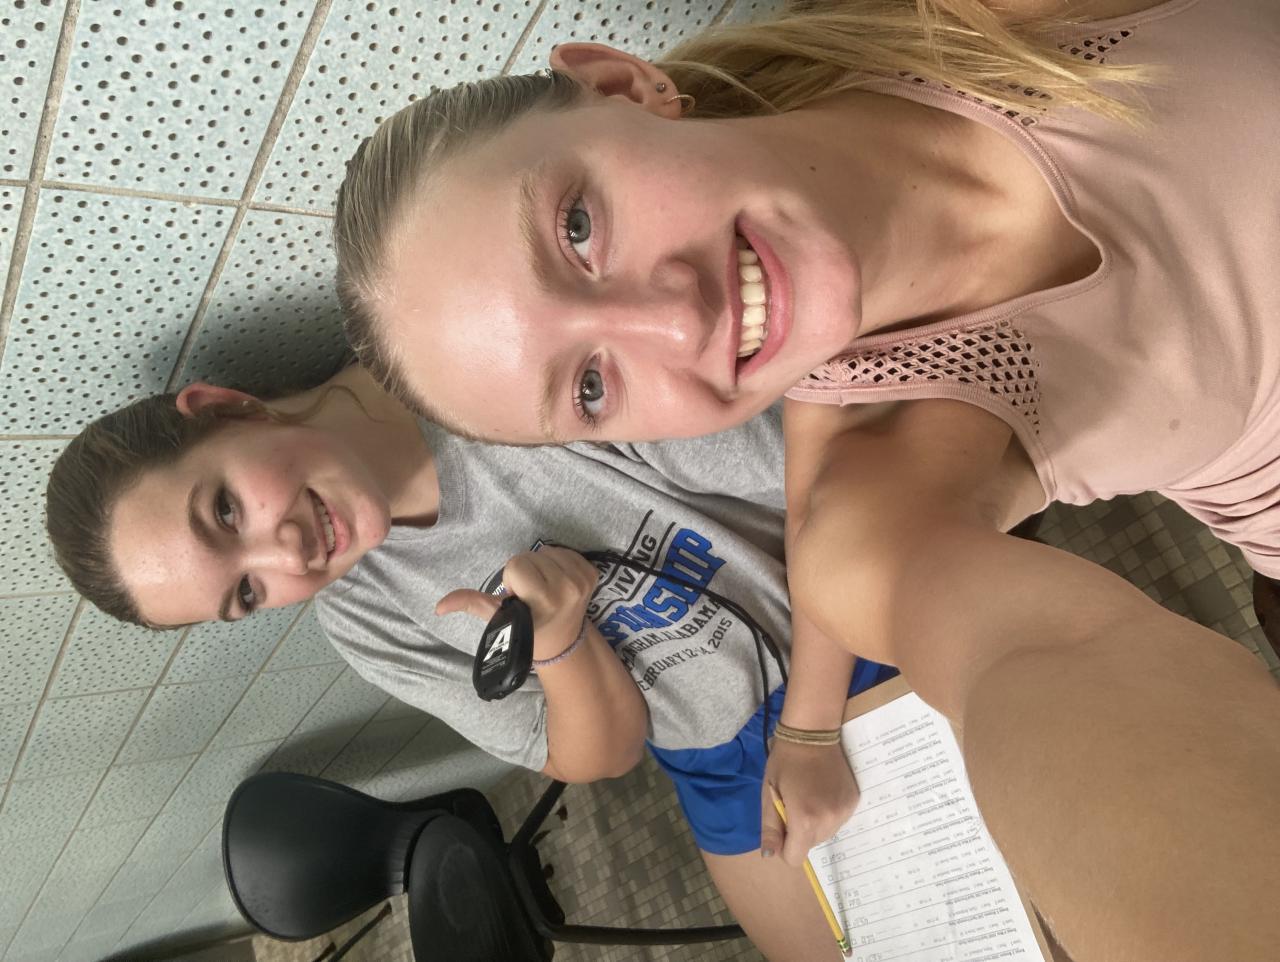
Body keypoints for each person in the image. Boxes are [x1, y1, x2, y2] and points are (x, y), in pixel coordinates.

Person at [328, 1, 1280, 959]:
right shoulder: (871, 508)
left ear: (624, 85)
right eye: (590, 385)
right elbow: (1043, 658)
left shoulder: (970, 23)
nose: (677, 322)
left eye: (579, 227)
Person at [45, 363, 898, 961]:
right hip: (714, 760)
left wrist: (811, 728)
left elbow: (840, 485)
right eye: (247, 592)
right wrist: (562, 645)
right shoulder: (363, 617)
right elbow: (597, 755)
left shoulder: (491, 381)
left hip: (850, 623)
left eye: (227, 511)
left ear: (226, 407)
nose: (289, 555)